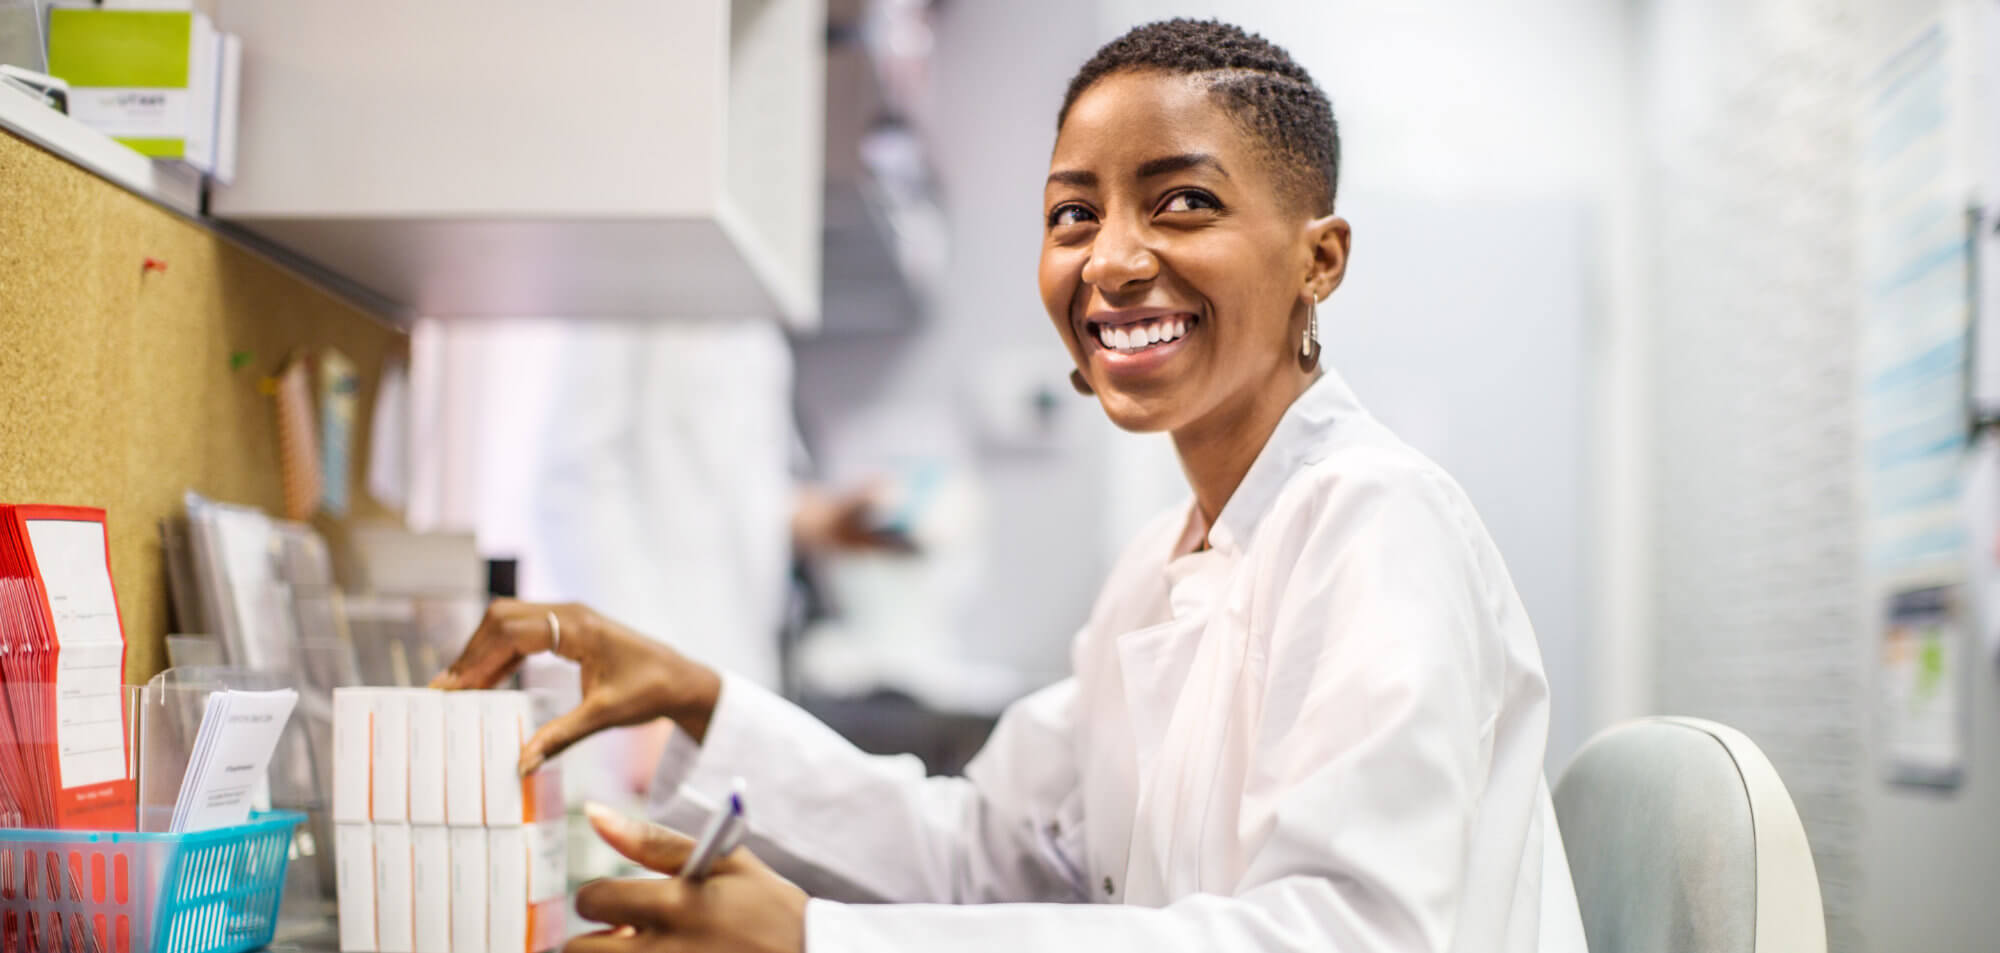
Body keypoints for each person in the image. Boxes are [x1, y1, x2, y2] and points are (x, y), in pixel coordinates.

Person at [435, 19, 1587, 953]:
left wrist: (816, 938)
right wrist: (697, 696)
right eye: (1072, 213)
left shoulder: (1375, 521)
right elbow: (976, 849)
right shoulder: (1162, 563)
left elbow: (1344, 934)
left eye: (1180, 201)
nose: (1111, 259)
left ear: (1315, 258)